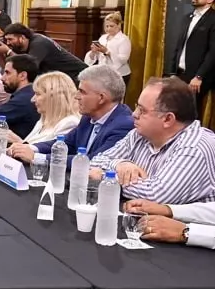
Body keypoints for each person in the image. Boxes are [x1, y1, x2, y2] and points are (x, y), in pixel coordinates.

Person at [89, 77, 215, 205]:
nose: (134, 114)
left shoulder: (194, 147)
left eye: (142, 110)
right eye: (137, 107)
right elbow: (95, 161)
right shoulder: (139, 134)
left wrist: (105, 177)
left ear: (168, 119)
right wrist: (120, 164)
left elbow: (156, 194)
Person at [9, 64, 135, 165]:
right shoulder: (88, 117)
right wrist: (31, 148)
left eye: (82, 92)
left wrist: (37, 158)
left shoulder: (123, 125)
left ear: (101, 98)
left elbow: (93, 161)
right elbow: (65, 143)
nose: (76, 97)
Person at [0, 71, 79, 149]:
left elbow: (50, 155)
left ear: (53, 97)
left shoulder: (69, 124)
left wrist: (17, 141)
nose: (32, 99)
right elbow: (29, 145)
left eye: (38, 94)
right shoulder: (43, 121)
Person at [168, 0, 215, 107]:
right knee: (174, 109)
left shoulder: (213, 19)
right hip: (179, 75)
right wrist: (172, 73)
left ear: (210, 0)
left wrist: (199, 76)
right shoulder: (187, 18)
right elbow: (178, 47)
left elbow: (213, 52)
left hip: (196, 78)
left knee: (189, 112)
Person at [1, 23, 87, 82]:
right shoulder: (23, 45)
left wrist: (8, 51)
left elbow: (29, 67)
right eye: (7, 40)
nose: (8, 43)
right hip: (61, 78)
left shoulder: (39, 43)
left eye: (10, 39)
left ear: (22, 38)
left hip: (78, 76)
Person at [85, 11, 132, 86]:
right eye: (107, 26)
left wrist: (107, 52)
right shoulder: (103, 38)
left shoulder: (124, 39)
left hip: (119, 75)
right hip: (104, 74)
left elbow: (123, 60)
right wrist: (93, 52)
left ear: (118, 25)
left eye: (111, 26)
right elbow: (94, 58)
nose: (108, 28)